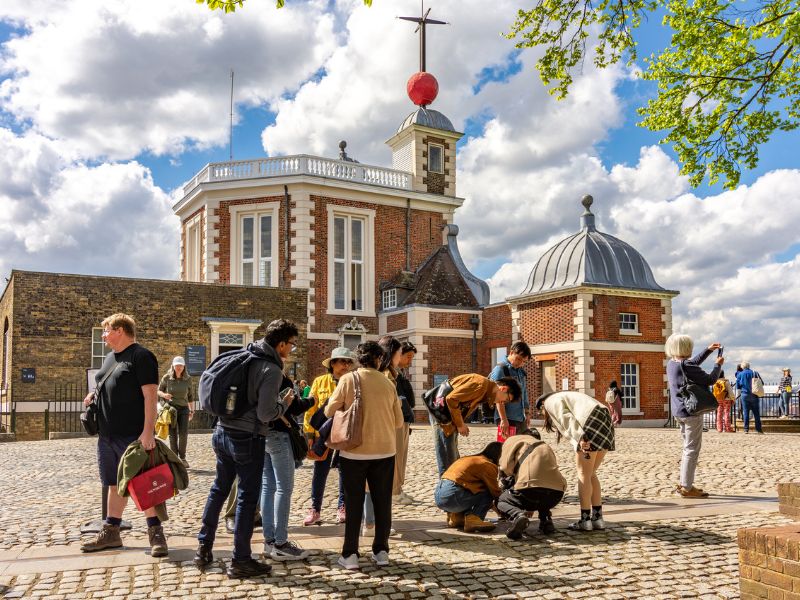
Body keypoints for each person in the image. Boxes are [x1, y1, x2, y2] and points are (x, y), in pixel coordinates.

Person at [194, 319, 298, 579]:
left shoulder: (243, 354)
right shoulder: (271, 368)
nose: (292, 350)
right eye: (292, 345)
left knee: (219, 489)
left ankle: (203, 548)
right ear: (281, 343)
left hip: (221, 431)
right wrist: (284, 403)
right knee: (246, 497)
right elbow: (265, 414)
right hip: (247, 438)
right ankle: (240, 559)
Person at [80, 313, 166, 557]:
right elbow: (107, 384)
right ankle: (111, 532)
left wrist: (148, 432)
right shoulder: (109, 359)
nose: (104, 336)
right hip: (106, 435)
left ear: (119, 330)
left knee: (143, 483)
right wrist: (94, 395)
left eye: (106, 331)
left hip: (133, 435)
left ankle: (156, 533)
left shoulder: (142, 356)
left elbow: (150, 396)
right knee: (113, 483)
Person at [324, 341, 404, 571]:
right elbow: (399, 422)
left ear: (360, 359)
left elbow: (330, 410)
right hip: (385, 451)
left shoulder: (349, 379)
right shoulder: (389, 384)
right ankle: (381, 551)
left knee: (354, 503)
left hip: (354, 452)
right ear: (379, 359)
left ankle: (350, 554)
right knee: (382, 502)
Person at [536, 390, 615, 530]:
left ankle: (585, 520)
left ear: (542, 404)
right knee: (591, 473)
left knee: (583, 474)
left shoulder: (550, 401)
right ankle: (598, 519)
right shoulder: (568, 396)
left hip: (589, 422)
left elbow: (567, 418)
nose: (544, 415)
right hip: (605, 418)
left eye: (541, 412)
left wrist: (581, 437)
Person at [261, 373, 315, 562]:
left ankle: (269, 541)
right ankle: (281, 544)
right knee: (284, 488)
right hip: (279, 434)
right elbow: (293, 406)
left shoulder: (259, 373)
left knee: (268, 488)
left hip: (263, 433)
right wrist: (312, 400)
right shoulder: (278, 377)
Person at [301, 347, 356, 526]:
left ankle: (343, 507)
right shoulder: (320, 381)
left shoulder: (353, 382)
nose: (346, 365)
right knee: (320, 471)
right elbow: (311, 409)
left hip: (344, 433)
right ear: (332, 363)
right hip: (322, 434)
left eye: (348, 362)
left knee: (344, 471)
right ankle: (315, 509)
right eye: (342, 361)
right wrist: (309, 432)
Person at [666, 333, 723, 499]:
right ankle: (686, 486)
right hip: (691, 412)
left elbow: (691, 364)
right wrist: (717, 365)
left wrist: (707, 350)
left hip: (678, 411)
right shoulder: (687, 365)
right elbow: (710, 379)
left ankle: (685, 483)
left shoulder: (672, 364)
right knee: (692, 449)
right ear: (685, 348)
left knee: (687, 448)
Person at [429, 373, 521, 477]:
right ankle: (446, 486)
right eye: (507, 399)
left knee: (452, 456)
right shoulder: (481, 385)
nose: (503, 402)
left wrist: (459, 423)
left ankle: (451, 483)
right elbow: (451, 399)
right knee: (448, 457)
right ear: (504, 389)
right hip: (441, 414)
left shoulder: (485, 390)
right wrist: (460, 424)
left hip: (447, 417)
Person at [497, 429, 567, 539]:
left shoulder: (513, 440)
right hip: (556, 494)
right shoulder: (544, 446)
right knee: (543, 486)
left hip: (529, 492)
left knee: (502, 500)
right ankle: (546, 521)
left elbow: (505, 468)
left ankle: (518, 516)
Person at [434, 442, 503, 534]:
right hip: (453, 496)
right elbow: (495, 493)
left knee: (472, 488)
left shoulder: (467, 458)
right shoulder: (487, 464)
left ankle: (456, 517)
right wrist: (502, 510)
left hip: (439, 496)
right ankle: (474, 519)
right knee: (488, 491)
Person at [157, 356, 195, 467]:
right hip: (171, 410)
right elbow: (158, 391)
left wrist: (191, 411)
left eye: (181, 365)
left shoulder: (188, 379)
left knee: (183, 434)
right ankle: (174, 458)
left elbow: (191, 396)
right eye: (177, 365)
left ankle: (182, 458)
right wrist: (164, 395)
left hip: (183, 409)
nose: (179, 367)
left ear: (184, 367)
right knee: (173, 435)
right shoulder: (167, 378)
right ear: (173, 366)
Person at [489, 342, 532, 438]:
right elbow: (497, 397)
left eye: (524, 361)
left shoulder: (521, 371)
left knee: (522, 448)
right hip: (507, 418)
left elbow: (524, 393)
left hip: (520, 418)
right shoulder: (500, 370)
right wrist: (503, 419)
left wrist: (527, 412)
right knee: (507, 449)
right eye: (518, 359)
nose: (520, 363)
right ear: (511, 352)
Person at [393, 341, 417, 504]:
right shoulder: (392, 374)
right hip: (397, 420)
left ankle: (398, 488)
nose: (410, 361)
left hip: (404, 419)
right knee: (397, 457)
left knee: (402, 457)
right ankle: (394, 492)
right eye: (408, 357)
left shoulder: (400, 373)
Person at [735, 361, 764, 434]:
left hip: (744, 394)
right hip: (754, 394)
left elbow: (738, 386)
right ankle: (759, 429)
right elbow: (762, 383)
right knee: (756, 413)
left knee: (745, 412)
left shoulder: (740, 374)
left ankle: (746, 429)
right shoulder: (755, 373)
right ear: (749, 366)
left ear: (742, 367)